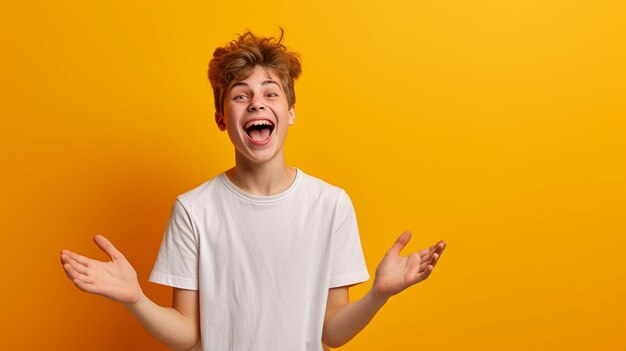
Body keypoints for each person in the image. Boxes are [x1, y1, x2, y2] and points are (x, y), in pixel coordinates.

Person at [60, 29, 446, 351]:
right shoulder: (194, 210)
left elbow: (331, 332)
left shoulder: (330, 205)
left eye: (270, 93)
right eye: (241, 95)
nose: (256, 103)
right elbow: (188, 332)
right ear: (221, 119)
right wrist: (136, 300)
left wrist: (379, 294)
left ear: (290, 112)